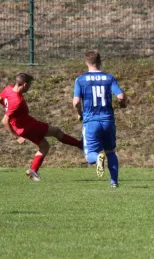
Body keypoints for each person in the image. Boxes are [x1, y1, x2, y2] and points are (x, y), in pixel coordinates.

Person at [1, 73, 83, 181]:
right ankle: (80, 145)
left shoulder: (8, 89)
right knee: (57, 132)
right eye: (29, 85)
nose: (29, 88)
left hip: (22, 127)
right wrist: (16, 137)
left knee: (44, 146)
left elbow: (1, 98)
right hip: (28, 126)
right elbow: (4, 121)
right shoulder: (17, 101)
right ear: (25, 85)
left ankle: (33, 170)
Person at [73, 50, 127, 188]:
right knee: (110, 151)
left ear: (86, 62)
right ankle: (114, 182)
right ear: (100, 61)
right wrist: (123, 104)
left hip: (91, 120)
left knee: (90, 155)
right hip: (108, 120)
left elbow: (76, 102)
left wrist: (79, 113)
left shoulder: (80, 80)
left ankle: (98, 159)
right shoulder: (109, 78)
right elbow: (120, 96)